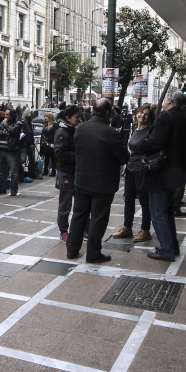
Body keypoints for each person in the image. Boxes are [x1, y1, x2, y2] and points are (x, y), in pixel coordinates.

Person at [66, 99, 130, 263]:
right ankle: (93, 253)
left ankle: (72, 249)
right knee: (98, 219)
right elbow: (124, 157)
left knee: (79, 216)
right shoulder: (111, 133)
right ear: (107, 112)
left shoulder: (80, 128)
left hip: (82, 180)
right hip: (103, 183)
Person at [135, 93, 186, 262]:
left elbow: (155, 142)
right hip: (175, 171)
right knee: (167, 211)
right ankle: (171, 245)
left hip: (161, 173)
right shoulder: (183, 118)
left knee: (158, 213)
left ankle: (166, 250)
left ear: (169, 101)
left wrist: (141, 144)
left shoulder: (166, 116)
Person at [112, 104, 154, 243]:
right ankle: (127, 227)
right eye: (141, 112)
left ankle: (145, 230)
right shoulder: (134, 129)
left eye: (146, 114)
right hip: (130, 168)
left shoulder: (150, 131)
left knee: (144, 201)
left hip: (142, 169)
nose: (142, 116)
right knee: (128, 199)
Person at [54, 105, 81, 242]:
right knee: (65, 202)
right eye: (77, 117)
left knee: (81, 202)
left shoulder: (75, 129)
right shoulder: (62, 132)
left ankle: (83, 228)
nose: (79, 119)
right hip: (66, 171)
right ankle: (63, 230)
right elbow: (60, 153)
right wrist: (79, 155)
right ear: (68, 118)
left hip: (77, 171)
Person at [0, 108, 23, 196]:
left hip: (11, 150)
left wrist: (5, 126)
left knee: (13, 172)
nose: (5, 116)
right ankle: (2, 188)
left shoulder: (18, 123)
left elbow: (13, 131)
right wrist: (4, 132)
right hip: (1, 149)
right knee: (2, 171)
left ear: (12, 115)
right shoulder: (4, 123)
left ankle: (13, 190)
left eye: (7, 115)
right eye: (5, 114)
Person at [40, 112, 57, 177]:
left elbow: (55, 134)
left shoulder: (54, 124)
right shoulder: (45, 124)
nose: (45, 118)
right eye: (45, 116)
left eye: (47, 116)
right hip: (46, 143)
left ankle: (53, 171)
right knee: (46, 157)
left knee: (53, 158)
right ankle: (45, 170)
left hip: (51, 143)